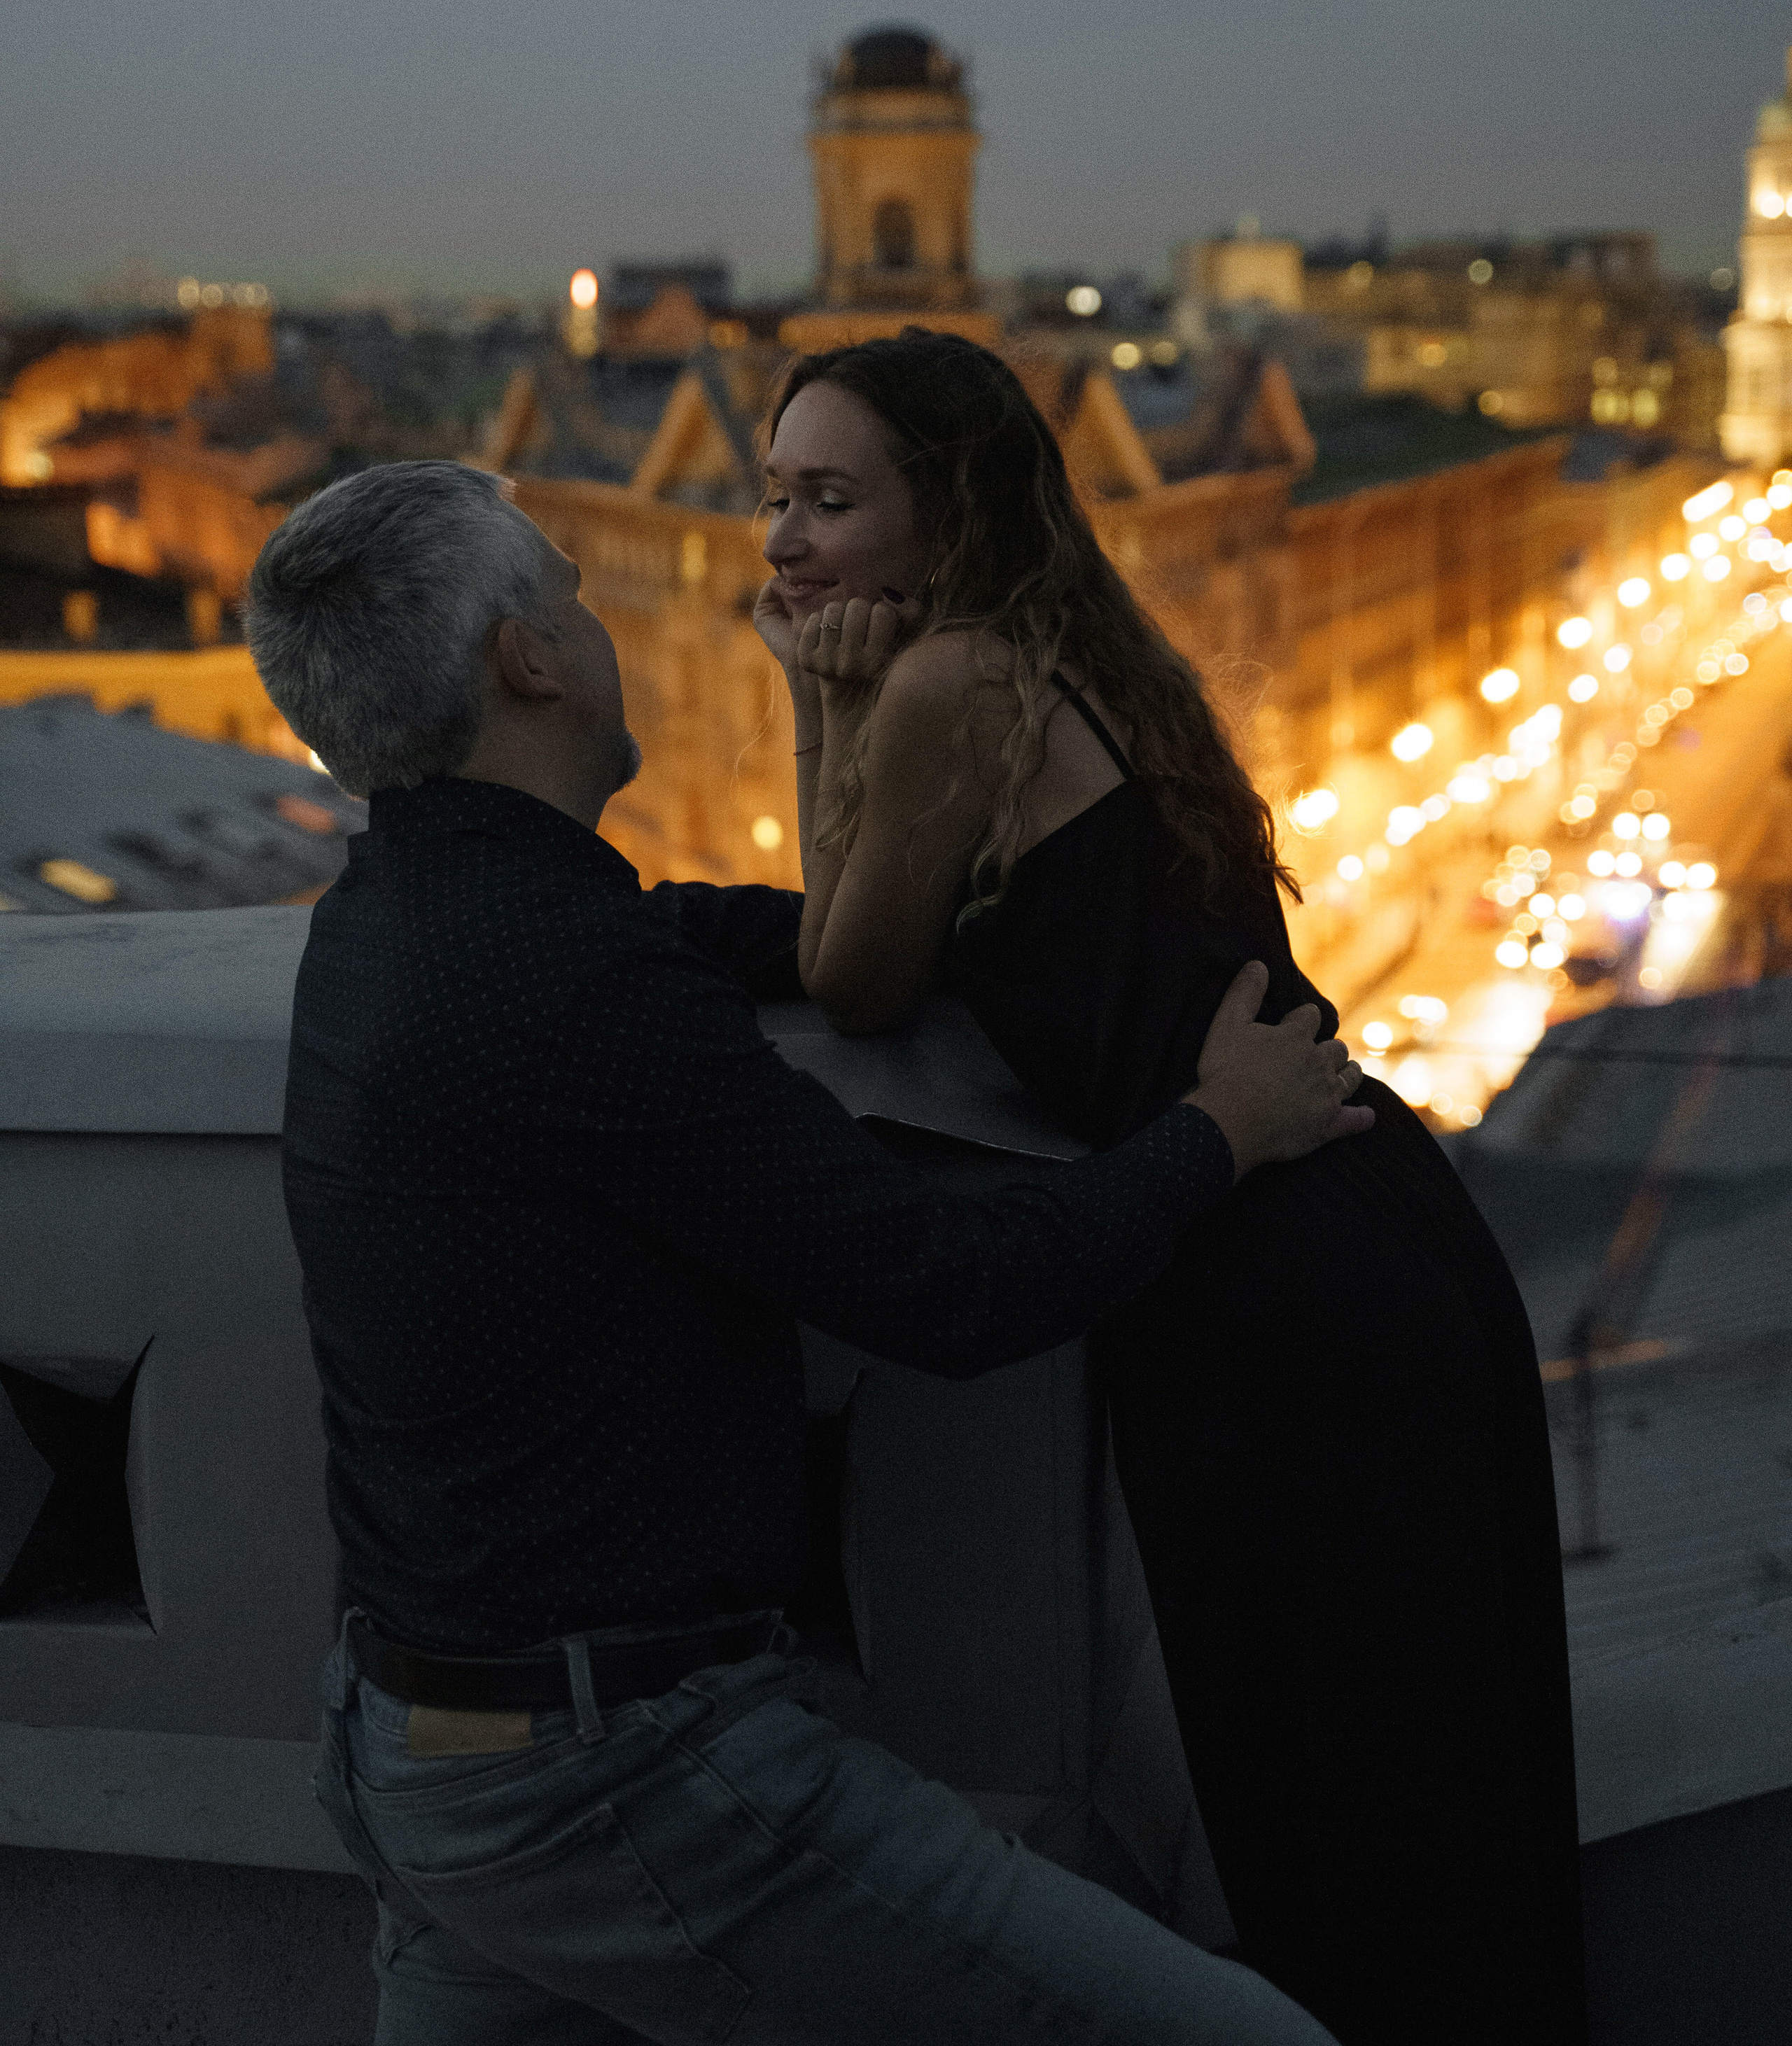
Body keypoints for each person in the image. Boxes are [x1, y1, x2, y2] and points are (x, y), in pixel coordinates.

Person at [246, 456, 1366, 2046]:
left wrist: (912, 839)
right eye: (567, 588)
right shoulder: (560, 983)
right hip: (619, 1776)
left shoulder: (395, 914)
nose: (590, 614)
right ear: (531, 660)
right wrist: (1219, 1128)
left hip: (417, 1747)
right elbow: (948, 1284)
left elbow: (735, 932)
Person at [752, 330, 1586, 2046]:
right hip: (1373, 1233)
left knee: (1321, 1813)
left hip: (1263, 1289)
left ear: (950, 510)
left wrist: (813, 695)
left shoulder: (945, 687)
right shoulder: (1089, 656)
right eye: (771, 497)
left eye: (828, 500)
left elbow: (850, 977)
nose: (780, 542)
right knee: (1438, 1791)